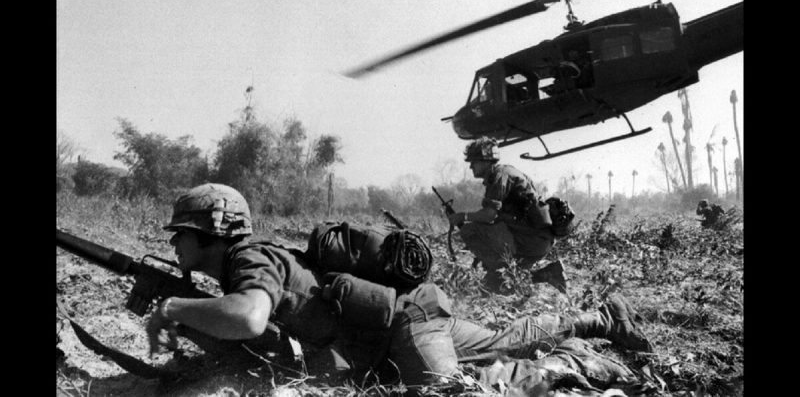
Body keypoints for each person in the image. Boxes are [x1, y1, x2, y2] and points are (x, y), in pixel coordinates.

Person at [147, 183, 651, 393]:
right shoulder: (255, 257)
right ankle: (601, 320)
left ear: (207, 232)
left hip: (402, 327)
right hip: (408, 316)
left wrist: (173, 306)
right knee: (505, 338)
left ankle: (572, 364)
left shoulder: (247, 258)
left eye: (180, 235)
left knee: (453, 392)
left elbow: (249, 317)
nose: (175, 245)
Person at [447, 137, 567, 294]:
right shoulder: (505, 173)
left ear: (485, 160)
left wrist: (462, 217)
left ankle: (498, 272)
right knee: (499, 284)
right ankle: (550, 273)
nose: (470, 167)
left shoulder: (499, 177)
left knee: (469, 231)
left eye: (473, 161)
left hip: (530, 239)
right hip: (537, 240)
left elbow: (489, 215)